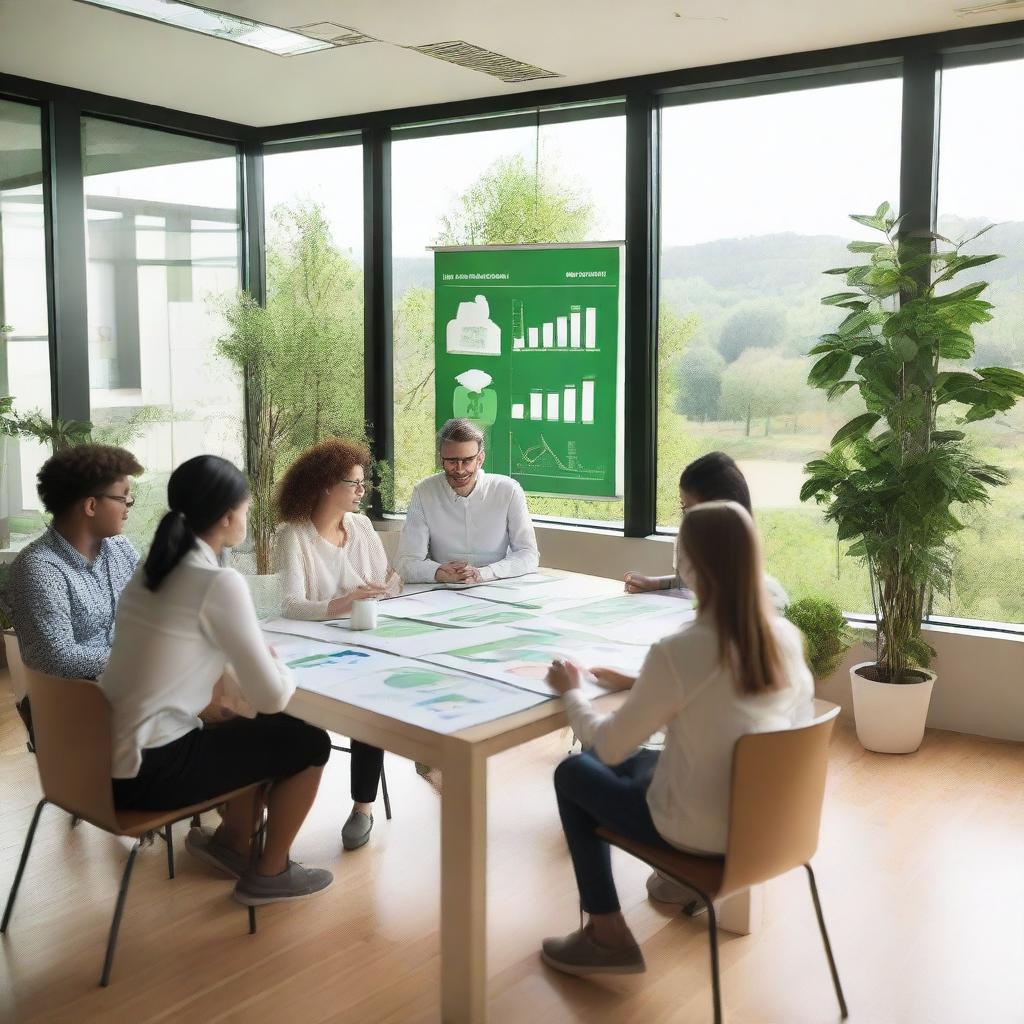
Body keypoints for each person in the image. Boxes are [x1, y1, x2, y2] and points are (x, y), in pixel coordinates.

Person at [540, 502, 813, 976]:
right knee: (641, 762)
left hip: (699, 832)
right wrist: (641, 685)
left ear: (688, 566)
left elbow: (607, 745)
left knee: (575, 772)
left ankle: (605, 934)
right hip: (772, 827)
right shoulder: (784, 638)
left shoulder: (681, 650)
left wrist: (574, 694)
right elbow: (731, 714)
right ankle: (648, 902)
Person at [101, 455, 333, 906]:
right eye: (246, 509)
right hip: (153, 771)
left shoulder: (150, 574)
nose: (246, 518)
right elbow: (269, 696)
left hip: (100, 761)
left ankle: (232, 843)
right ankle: (270, 872)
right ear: (229, 515)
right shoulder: (215, 580)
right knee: (309, 741)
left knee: (238, 725)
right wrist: (276, 664)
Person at [276, 437, 401, 851]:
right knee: (295, 714)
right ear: (327, 484)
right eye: (355, 484)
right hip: (312, 650)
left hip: (365, 641)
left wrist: (385, 588)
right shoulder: (293, 534)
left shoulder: (362, 527)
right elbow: (292, 605)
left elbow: (387, 580)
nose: (362, 492)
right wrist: (341, 603)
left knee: (371, 701)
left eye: (362, 484)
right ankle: (276, 804)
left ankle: (362, 806)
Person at [6, 443, 143, 746]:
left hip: (129, 698)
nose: (128, 506)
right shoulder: (39, 568)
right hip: (77, 718)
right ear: (91, 506)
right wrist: (138, 660)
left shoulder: (119, 549)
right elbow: (58, 658)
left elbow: (153, 610)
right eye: (123, 499)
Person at [623, 451, 789, 610]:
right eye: (683, 507)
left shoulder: (766, 599)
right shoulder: (724, 572)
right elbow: (695, 581)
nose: (686, 517)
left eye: (689, 507)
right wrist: (654, 584)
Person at [397, 418, 539, 585]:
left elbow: (528, 554)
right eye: (451, 461)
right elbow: (404, 564)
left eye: (467, 460)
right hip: (443, 590)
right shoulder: (424, 492)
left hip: (497, 585)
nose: (459, 469)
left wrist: (483, 573)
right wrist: (439, 572)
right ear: (441, 460)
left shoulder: (508, 491)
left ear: (480, 459)